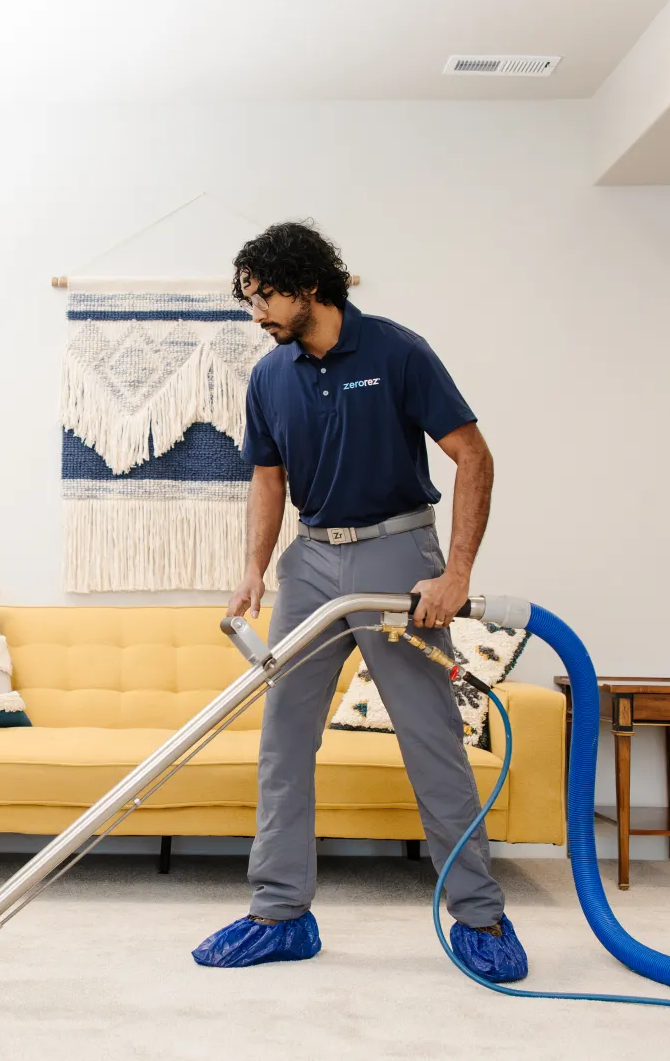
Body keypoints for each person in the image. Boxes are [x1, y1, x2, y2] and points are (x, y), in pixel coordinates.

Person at [190, 221, 528, 982]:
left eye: (265, 295)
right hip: (310, 561)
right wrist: (253, 568)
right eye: (248, 300)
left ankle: (479, 915)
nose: (257, 314)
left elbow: (473, 455)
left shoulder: (396, 351)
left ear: (309, 285)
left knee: (431, 739)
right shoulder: (270, 377)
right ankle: (279, 913)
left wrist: (458, 572)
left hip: (396, 553)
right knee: (282, 738)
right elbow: (268, 478)